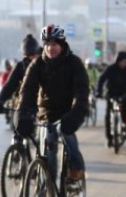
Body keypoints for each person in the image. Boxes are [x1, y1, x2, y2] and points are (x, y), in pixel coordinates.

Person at [16, 24, 88, 182]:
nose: (50, 48)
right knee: (47, 149)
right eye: (47, 44)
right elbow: (27, 90)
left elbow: (81, 92)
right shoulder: (37, 64)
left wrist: (75, 114)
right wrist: (23, 114)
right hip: (46, 113)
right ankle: (48, 188)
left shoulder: (74, 63)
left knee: (67, 135)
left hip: (68, 112)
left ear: (61, 45)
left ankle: (76, 167)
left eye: (54, 44)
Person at [95, 51, 126, 148]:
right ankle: (109, 139)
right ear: (117, 61)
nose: (123, 64)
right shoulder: (110, 69)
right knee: (108, 116)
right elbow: (101, 79)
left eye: (125, 62)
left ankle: (125, 125)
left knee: (124, 111)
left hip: (124, 94)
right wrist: (98, 91)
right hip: (111, 93)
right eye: (121, 62)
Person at [0, 34, 40, 114]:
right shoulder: (20, 66)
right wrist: (0, 101)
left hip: (45, 107)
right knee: (17, 123)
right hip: (25, 107)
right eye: (28, 56)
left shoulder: (46, 62)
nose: (31, 58)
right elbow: (9, 85)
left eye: (33, 55)